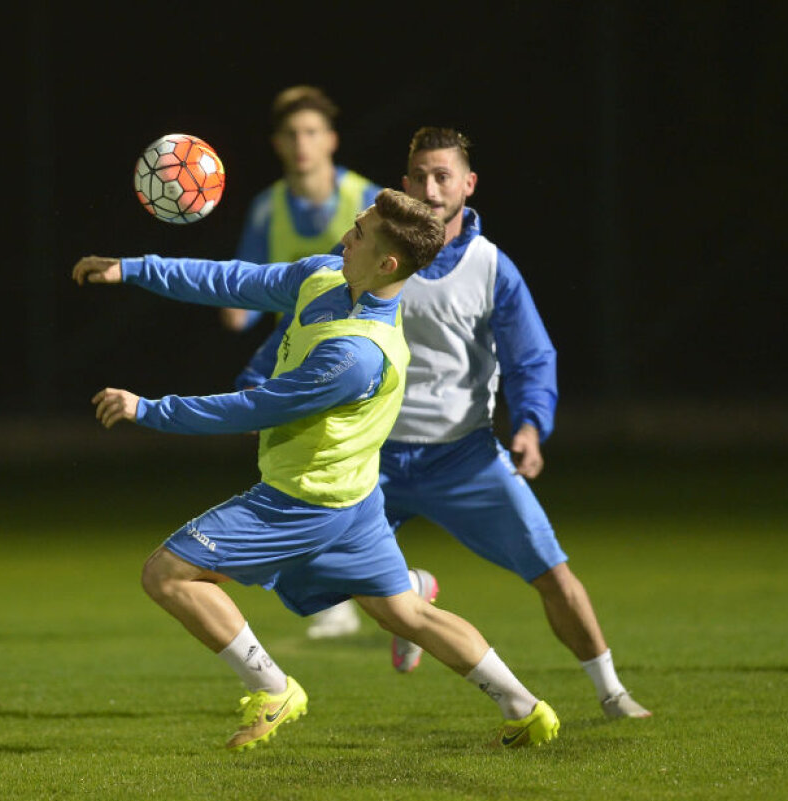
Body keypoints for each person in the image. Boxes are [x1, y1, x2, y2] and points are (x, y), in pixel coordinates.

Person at [71, 188, 560, 751]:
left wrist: (148, 409)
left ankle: (273, 688)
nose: (345, 238)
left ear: (387, 264)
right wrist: (134, 268)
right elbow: (234, 280)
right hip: (356, 499)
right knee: (407, 614)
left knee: (168, 574)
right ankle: (526, 708)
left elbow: (255, 407)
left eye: (359, 234)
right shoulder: (325, 276)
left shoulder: (356, 356)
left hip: (304, 502)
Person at [237, 128, 652, 721]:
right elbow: (304, 319)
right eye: (420, 177)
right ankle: (408, 589)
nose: (431, 189)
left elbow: (531, 357)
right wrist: (257, 381)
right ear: (404, 184)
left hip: (464, 456)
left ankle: (613, 694)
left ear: (468, 184)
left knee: (552, 573)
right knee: (307, 571)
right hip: (370, 456)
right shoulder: (371, 254)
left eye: (443, 176)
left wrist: (531, 426)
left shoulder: (491, 267)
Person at [220, 84, 381, 640]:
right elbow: (244, 290)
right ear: (277, 144)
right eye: (291, 134)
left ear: (331, 139)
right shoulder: (267, 208)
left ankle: (372, 591)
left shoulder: (367, 200)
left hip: (360, 368)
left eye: (311, 132)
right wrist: (235, 308)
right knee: (306, 484)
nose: (301, 143)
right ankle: (377, 592)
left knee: (330, 486)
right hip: (294, 371)